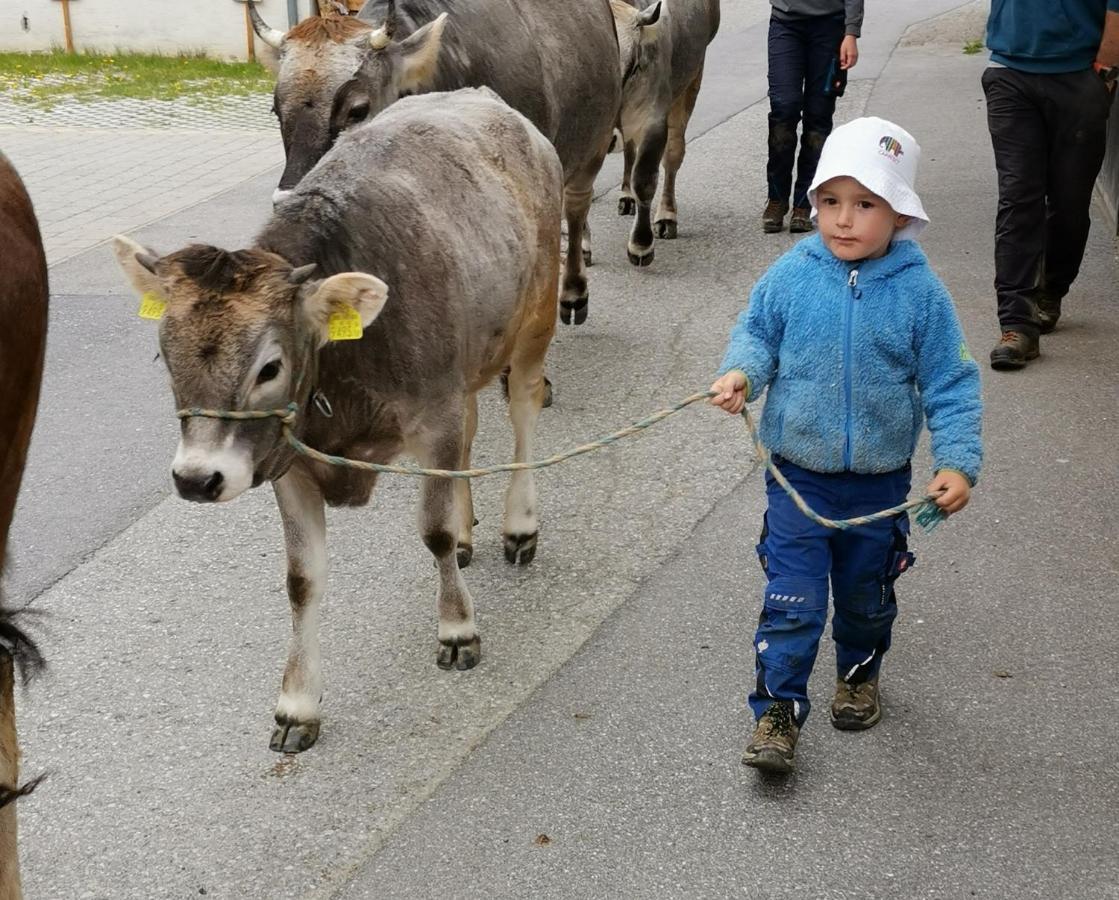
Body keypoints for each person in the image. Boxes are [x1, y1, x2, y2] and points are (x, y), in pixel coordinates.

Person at [712, 117, 983, 774]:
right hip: (795, 478)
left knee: (866, 598)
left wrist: (956, 461)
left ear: (898, 214)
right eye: (829, 201)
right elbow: (758, 335)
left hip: (878, 484)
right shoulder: (791, 274)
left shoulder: (919, 293)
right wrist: (742, 374)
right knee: (792, 597)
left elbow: (950, 378)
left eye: (864, 204)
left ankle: (858, 673)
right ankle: (776, 709)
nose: (842, 219)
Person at [983, 0, 1119, 370]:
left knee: (1069, 206)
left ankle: (1050, 291)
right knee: (1018, 199)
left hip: (1079, 76)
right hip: (1009, 72)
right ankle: (1015, 325)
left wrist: (1106, 68)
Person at [762, 0, 863, 235]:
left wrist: (851, 33)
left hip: (830, 26)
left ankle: (804, 203)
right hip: (785, 24)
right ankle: (776, 199)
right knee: (784, 107)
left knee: (818, 117)